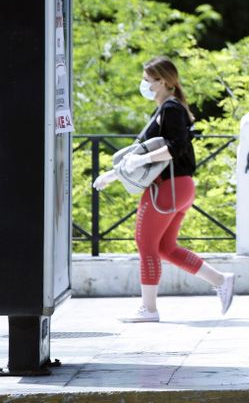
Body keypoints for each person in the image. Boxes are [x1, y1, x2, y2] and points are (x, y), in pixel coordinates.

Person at [93, 56, 235, 322]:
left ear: (163, 81)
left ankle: (149, 309)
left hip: (167, 188)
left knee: (145, 244)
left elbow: (175, 146)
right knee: (165, 247)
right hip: (179, 188)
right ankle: (220, 280)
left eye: (147, 80)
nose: (143, 84)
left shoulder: (171, 108)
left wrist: (142, 159)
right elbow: (145, 154)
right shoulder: (168, 109)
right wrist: (113, 175)